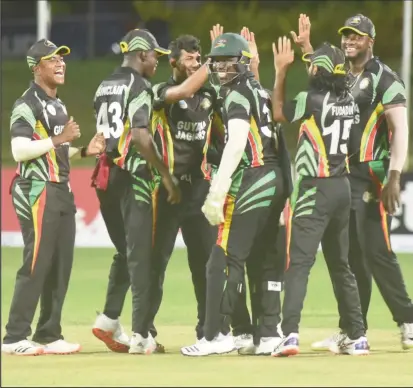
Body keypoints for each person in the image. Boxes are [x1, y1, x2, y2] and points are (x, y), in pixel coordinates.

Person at [307, 14, 413, 352]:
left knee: (376, 251)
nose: (350, 41)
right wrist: (308, 48)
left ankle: (408, 322)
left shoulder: (385, 78)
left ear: (371, 40)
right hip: (340, 172)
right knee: (349, 254)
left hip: (371, 174)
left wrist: (395, 174)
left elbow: (400, 129)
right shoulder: (340, 71)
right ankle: (354, 329)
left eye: (357, 36)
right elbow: (319, 72)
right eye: (346, 35)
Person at [180, 32, 288, 357]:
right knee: (265, 257)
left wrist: (217, 191)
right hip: (274, 177)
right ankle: (268, 333)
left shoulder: (237, 95)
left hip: (252, 177)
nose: (223, 69)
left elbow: (238, 141)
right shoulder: (259, 90)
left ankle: (217, 334)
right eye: (219, 62)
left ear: (243, 63)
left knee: (224, 258)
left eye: (230, 62)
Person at [2, 39, 105, 356]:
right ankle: (14, 337)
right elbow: (19, 151)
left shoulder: (57, 105)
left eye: (63, 59)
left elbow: (56, 151)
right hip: (37, 188)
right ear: (36, 68)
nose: (61, 64)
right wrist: (59, 138)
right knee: (36, 263)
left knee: (61, 264)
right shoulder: (26, 104)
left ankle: (49, 332)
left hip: (62, 189)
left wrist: (85, 150)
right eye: (52, 60)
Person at [270, 38, 369, 357]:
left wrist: (281, 73)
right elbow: (354, 143)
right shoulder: (350, 102)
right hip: (342, 187)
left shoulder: (309, 99)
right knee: (341, 265)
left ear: (318, 71)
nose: (309, 67)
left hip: (315, 187)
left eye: (312, 65)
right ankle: (357, 336)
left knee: (298, 263)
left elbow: (278, 113)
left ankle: (290, 335)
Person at [91, 28, 181, 355]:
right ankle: (142, 335)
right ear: (142, 54)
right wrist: (166, 176)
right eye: (155, 54)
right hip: (132, 176)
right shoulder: (138, 85)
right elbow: (141, 137)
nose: (157, 60)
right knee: (142, 255)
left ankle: (108, 319)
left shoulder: (104, 85)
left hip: (104, 177)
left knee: (127, 253)